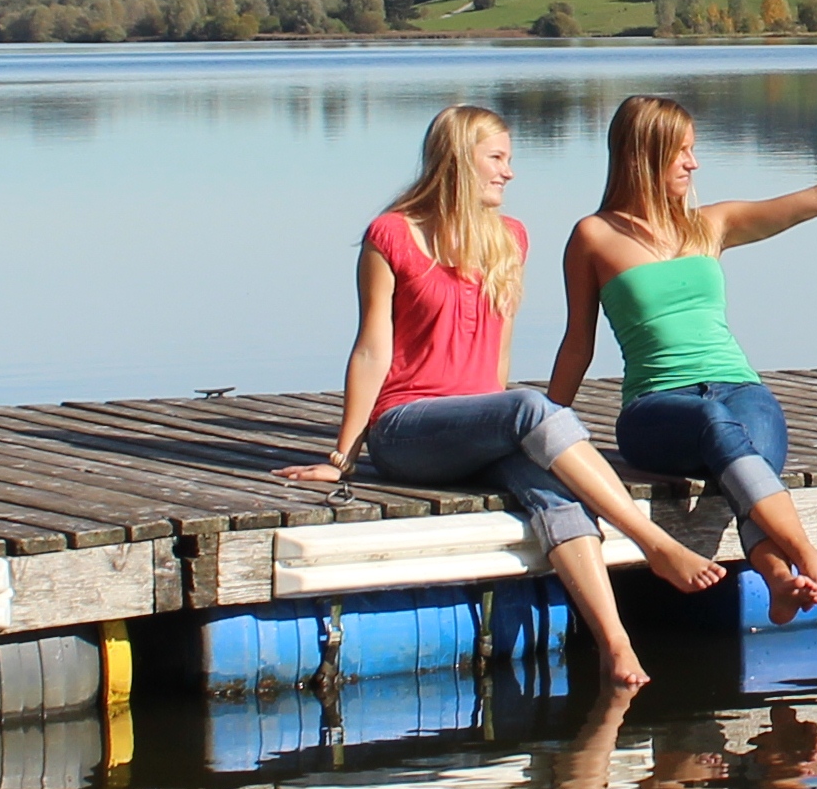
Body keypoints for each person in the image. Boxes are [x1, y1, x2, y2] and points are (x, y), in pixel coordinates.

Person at [283, 102, 725, 691]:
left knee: (557, 495)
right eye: (497, 158)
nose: (509, 172)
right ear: (461, 160)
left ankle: (616, 651)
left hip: (483, 427)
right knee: (531, 405)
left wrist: (516, 435)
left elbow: (498, 359)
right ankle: (655, 544)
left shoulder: (510, 238)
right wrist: (343, 458)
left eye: (509, 160)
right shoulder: (392, 233)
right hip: (407, 428)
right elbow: (371, 351)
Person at [545, 93, 817, 622]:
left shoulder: (710, 225)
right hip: (656, 408)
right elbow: (577, 343)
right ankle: (806, 555)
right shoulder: (594, 236)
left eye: (693, 150)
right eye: (680, 151)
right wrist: (550, 432)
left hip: (740, 389)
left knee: (739, 442)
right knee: (715, 423)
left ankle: (778, 579)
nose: (693, 162)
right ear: (643, 155)